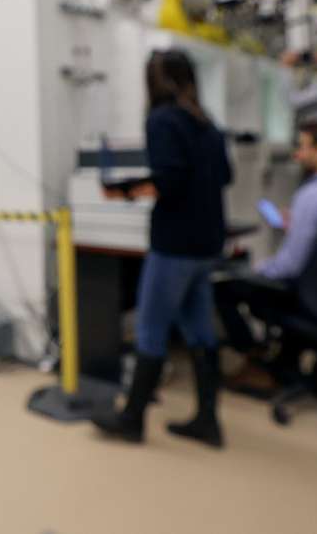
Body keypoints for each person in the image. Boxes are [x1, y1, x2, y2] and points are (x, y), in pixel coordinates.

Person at [93, 49, 233, 448]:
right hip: (208, 243)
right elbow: (224, 175)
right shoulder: (207, 124)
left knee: (151, 329)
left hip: (175, 244)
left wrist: (122, 190)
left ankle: (131, 419)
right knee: (200, 330)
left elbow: (167, 181)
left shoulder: (161, 120)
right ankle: (208, 420)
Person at [216, 120, 317, 391]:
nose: (298, 154)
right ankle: (285, 359)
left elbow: (289, 266)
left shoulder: (312, 196)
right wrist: (300, 223)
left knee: (226, 283)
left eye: (303, 146)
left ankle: (255, 359)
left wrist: (254, 270)